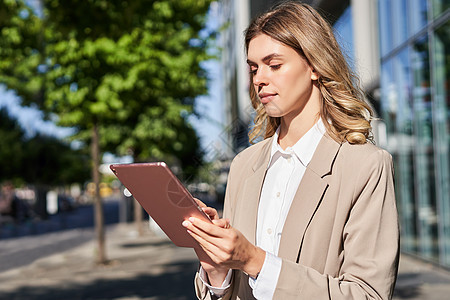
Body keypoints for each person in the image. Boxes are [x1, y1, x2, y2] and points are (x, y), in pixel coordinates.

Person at [182, 1, 399, 299]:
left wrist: (254, 261)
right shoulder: (244, 165)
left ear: (314, 65)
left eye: (274, 65)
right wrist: (217, 268)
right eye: (254, 68)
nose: (259, 78)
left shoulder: (365, 166)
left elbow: (368, 294)